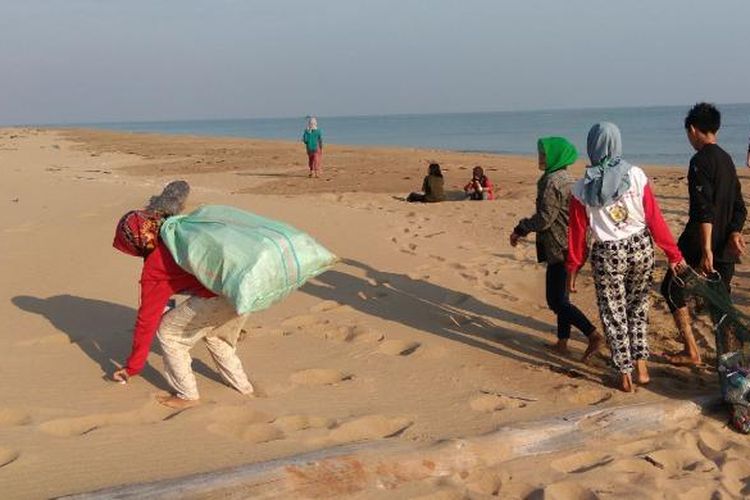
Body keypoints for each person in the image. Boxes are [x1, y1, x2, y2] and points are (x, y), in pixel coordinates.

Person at [111, 181, 254, 409]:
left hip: (216, 299)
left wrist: (133, 367)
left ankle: (187, 395)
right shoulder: (180, 230)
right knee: (217, 338)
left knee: (169, 335)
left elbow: (146, 321)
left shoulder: (154, 269)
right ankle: (244, 389)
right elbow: (177, 192)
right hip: (240, 291)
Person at [567, 123, 686, 392]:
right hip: (641, 248)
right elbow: (655, 219)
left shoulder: (580, 189)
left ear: (592, 146)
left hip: (608, 253)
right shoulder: (636, 175)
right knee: (638, 307)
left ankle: (624, 373)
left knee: (613, 313)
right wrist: (673, 254)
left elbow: (577, 234)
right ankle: (642, 367)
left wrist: (573, 268)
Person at [660, 103, 747, 366]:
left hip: (700, 243)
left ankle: (691, 350)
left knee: (671, 288)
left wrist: (706, 249)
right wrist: (734, 232)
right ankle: (732, 366)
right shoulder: (727, 159)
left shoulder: (700, 161)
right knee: (722, 304)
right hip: (725, 247)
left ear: (693, 129)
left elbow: (703, 209)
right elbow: (740, 207)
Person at [511, 137, 603, 360]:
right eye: (540, 153)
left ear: (555, 157)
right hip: (574, 246)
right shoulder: (568, 179)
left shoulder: (552, 182)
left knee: (556, 301)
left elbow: (545, 218)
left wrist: (520, 229)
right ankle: (562, 342)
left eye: (543, 154)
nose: (540, 158)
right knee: (563, 299)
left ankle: (592, 335)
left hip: (561, 249)